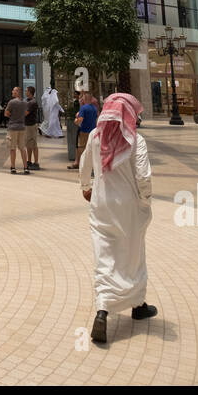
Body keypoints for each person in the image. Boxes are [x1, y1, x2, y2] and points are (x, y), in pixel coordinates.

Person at [78, 92, 156, 346]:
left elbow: (84, 164)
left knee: (104, 255)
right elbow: (143, 177)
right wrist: (145, 201)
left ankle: (103, 309)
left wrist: (86, 187)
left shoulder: (94, 136)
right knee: (133, 254)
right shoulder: (136, 141)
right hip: (129, 207)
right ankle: (138, 304)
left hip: (101, 204)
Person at [5, 86, 29, 175]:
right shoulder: (24, 102)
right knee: (22, 148)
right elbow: (26, 113)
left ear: (17, 92)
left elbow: (6, 113)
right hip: (22, 127)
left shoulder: (11, 102)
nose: (12, 91)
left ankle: (13, 167)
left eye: (14, 90)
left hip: (13, 127)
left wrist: (13, 116)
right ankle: (26, 167)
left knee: (12, 148)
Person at [70, 92, 98, 169]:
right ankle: (91, 165)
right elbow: (96, 118)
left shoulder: (83, 108)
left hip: (84, 131)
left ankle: (83, 163)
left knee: (81, 147)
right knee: (91, 148)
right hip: (92, 131)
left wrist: (76, 121)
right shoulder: (94, 108)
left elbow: (80, 119)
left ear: (85, 99)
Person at [24, 86, 41, 170]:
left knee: (33, 144)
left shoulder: (33, 102)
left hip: (31, 126)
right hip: (27, 125)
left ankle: (36, 162)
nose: (25, 92)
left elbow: (25, 113)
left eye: (26, 91)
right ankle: (29, 161)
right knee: (28, 144)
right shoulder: (27, 101)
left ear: (30, 92)